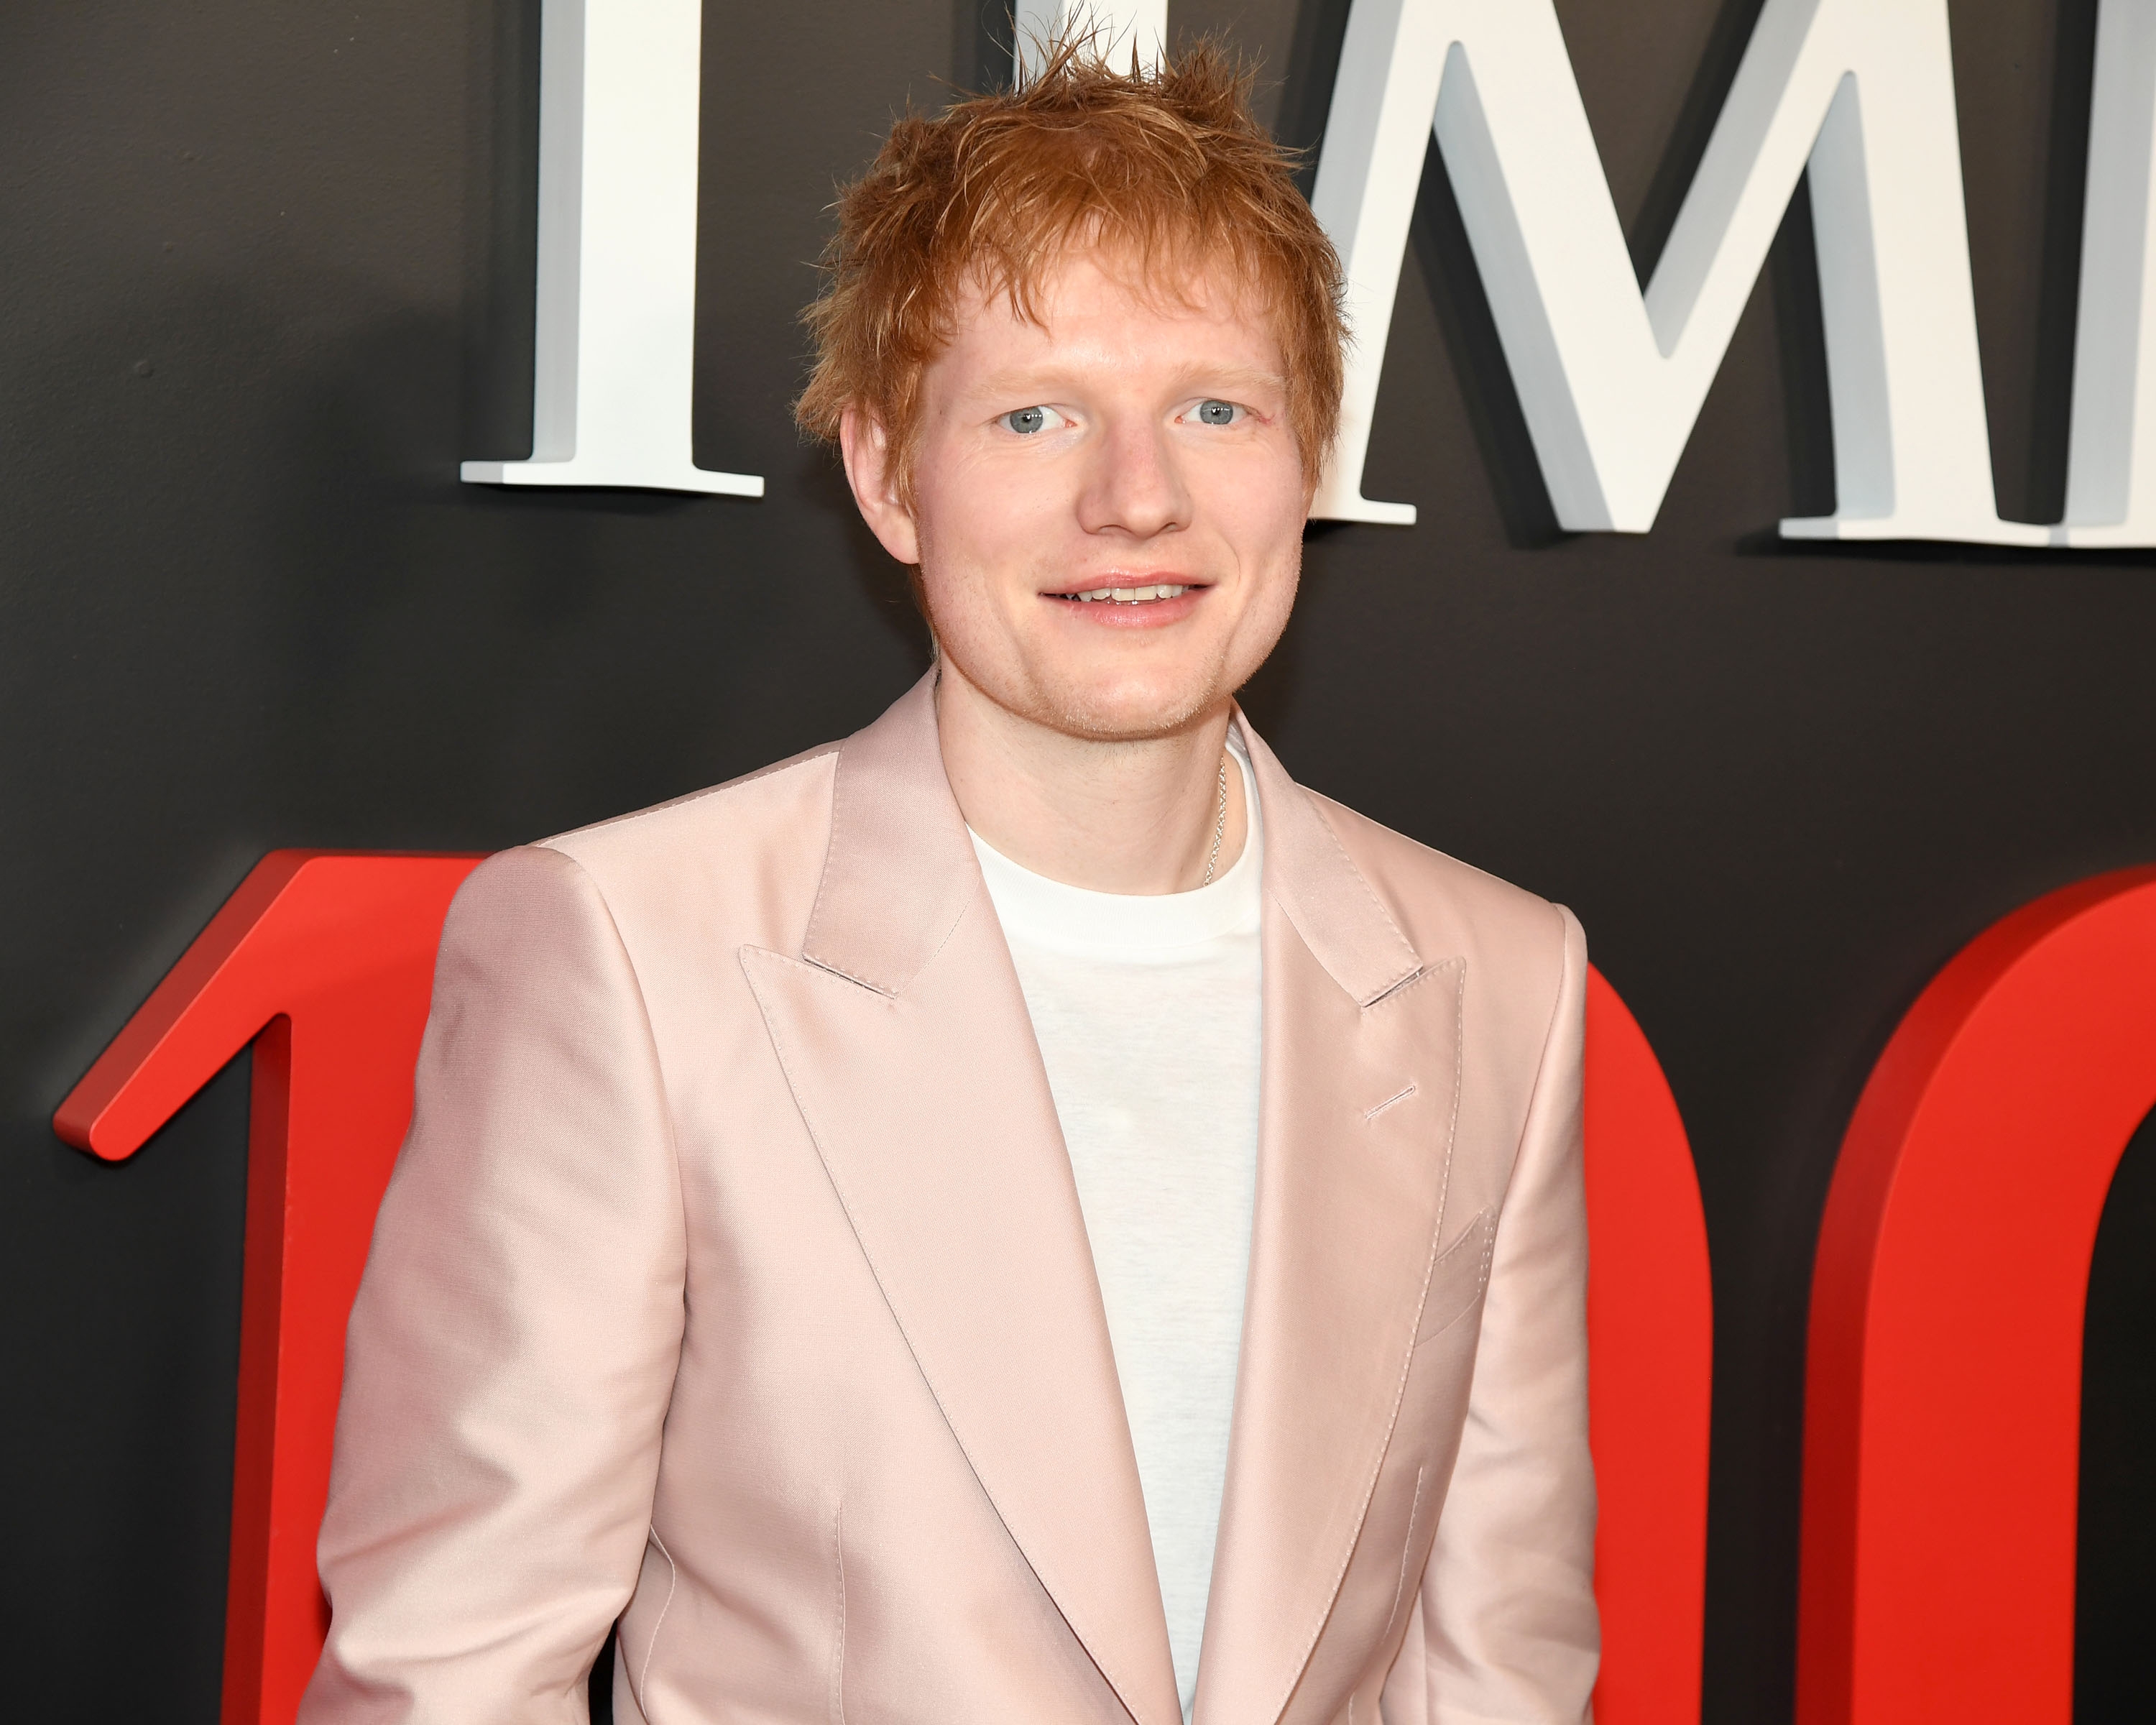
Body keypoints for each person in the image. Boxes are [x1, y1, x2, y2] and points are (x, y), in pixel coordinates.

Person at [299, 39, 1595, 1725]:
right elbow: (450, 1678)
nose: (1137, 498)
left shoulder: (1501, 978)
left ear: (1309, 463)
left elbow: (1497, 1670)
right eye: (1036, 413)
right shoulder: (633, 953)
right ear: (890, 475)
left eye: (1214, 407)